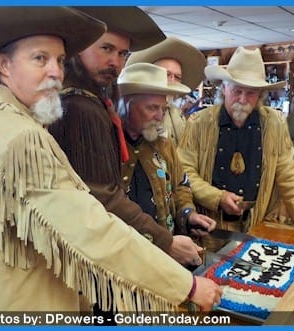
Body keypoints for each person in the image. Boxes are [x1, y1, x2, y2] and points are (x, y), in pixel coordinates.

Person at [0, 6, 222, 312]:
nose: (55, 72)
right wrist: (186, 285)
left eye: (60, 60)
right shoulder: (22, 138)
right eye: (40, 58)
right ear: (3, 65)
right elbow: (91, 230)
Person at [49, 8, 205, 267]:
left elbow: (178, 186)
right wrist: (164, 241)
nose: (115, 62)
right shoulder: (81, 107)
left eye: (122, 53)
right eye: (106, 49)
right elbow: (103, 197)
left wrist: (186, 214)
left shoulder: (157, 141)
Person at [177, 46, 294, 252]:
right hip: (209, 230)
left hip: (257, 226)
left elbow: (288, 174)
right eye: (237, 91)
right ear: (224, 88)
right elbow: (183, 174)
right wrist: (217, 196)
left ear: (260, 95)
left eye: (251, 93)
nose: (242, 99)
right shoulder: (198, 123)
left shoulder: (274, 123)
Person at [117, 63, 216, 252]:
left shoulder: (163, 142)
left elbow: (180, 185)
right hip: (124, 256)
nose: (160, 116)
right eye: (153, 108)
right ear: (125, 104)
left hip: (166, 252)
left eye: (163, 108)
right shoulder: (106, 144)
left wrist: (188, 214)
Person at [125, 37, 206, 146]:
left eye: (177, 77)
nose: (172, 81)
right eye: (167, 74)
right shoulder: (133, 114)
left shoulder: (176, 114)